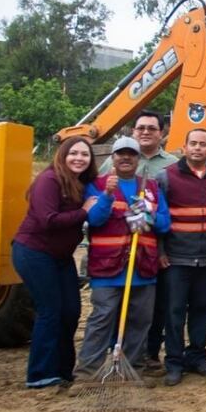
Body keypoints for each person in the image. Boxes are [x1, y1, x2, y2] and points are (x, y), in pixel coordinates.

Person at [75, 137, 171, 377]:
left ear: (138, 158)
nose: (125, 158)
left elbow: (165, 223)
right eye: (120, 154)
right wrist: (107, 195)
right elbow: (93, 220)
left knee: (139, 323)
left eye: (131, 154)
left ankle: (132, 370)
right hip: (107, 269)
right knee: (101, 321)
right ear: (113, 158)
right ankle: (88, 373)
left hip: (142, 268)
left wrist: (147, 214)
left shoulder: (150, 187)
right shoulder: (96, 185)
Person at [12, 137, 99, 388]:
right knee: (50, 310)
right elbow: (47, 220)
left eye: (85, 154)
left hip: (60, 257)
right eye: (73, 153)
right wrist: (83, 211)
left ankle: (63, 369)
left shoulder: (81, 182)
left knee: (71, 311)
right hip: (34, 252)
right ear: (62, 155)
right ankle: (40, 374)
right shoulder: (49, 180)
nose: (79, 158)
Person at [98, 110, 178, 373]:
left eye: (152, 128)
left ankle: (148, 354)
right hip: (114, 249)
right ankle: (113, 354)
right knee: (113, 308)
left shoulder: (170, 165)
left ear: (161, 132)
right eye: (141, 127)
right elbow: (97, 200)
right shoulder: (110, 165)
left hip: (152, 249)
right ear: (133, 131)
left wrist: (163, 249)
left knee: (151, 309)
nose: (146, 132)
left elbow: (168, 213)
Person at [155, 128, 206, 386]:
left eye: (202, 144)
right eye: (192, 143)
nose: (197, 148)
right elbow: (159, 218)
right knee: (174, 312)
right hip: (177, 258)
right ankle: (174, 361)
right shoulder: (167, 177)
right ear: (184, 147)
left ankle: (196, 355)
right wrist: (161, 251)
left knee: (203, 310)